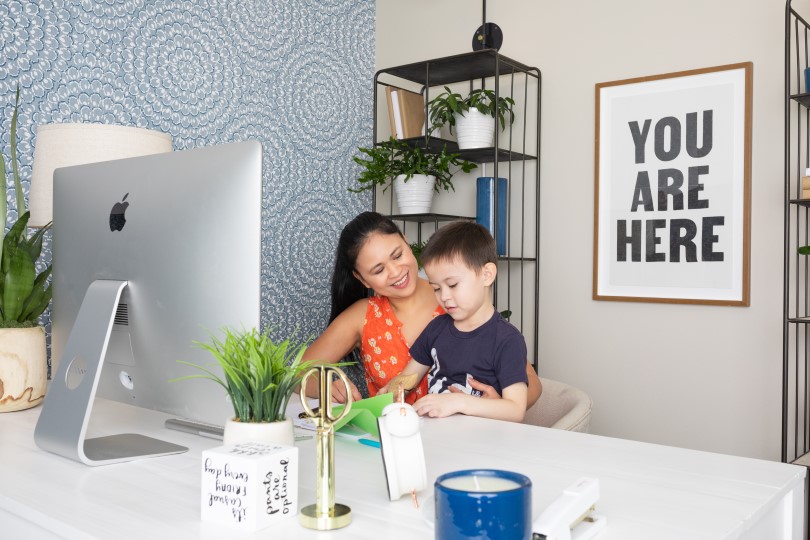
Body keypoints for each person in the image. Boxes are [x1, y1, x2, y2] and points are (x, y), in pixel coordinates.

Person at [302, 211, 541, 408]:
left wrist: (495, 406)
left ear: (406, 241)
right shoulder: (362, 316)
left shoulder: (456, 301)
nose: (395, 272)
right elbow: (295, 373)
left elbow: (531, 383)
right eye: (378, 270)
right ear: (362, 279)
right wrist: (324, 386)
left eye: (397, 255)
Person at [380, 221, 528, 422]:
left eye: (452, 284)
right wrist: (393, 390)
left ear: (487, 275)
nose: (445, 297)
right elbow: (409, 377)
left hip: (484, 444)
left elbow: (515, 410)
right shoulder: (437, 328)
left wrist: (459, 402)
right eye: (437, 288)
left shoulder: (507, 339)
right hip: (437, 436)